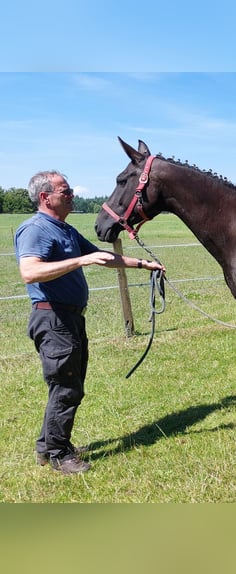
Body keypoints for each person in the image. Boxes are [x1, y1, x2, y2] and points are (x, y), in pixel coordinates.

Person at [14, 170, 164, 474]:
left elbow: (101, 256)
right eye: (65, 192)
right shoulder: (36, 229)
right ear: (45, 198)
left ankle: (49, 446)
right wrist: (80, 261)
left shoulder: (64, 229)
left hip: (69, 318)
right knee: (66, 387)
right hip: (52, 318)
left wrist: (143, 264)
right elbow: (30, 272)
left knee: (68, 384)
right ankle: (58, 454)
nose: (72, 196)